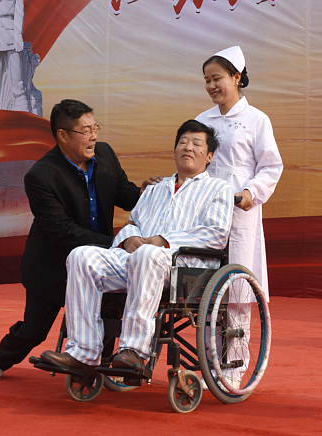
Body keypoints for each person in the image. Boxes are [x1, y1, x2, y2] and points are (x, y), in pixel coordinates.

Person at [0, 99, 159, 381]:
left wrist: (146, 194)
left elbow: (124, 194)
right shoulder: (40, 176)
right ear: (62, 135)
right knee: (35, 330)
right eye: (85, 131)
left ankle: (97, 369)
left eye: (95, 128)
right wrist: (117, 243)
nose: (93, 136)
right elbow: (63, 231)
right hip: (52, 266)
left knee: (105, 318)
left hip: (98, 264)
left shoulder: (104, 154)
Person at [40, 119, 233, 374]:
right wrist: (128, 239)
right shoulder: (155, 188)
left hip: (184, 267)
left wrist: (164, 241)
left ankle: (133, 350)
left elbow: (216, 234)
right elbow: (133, 222)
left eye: (196, 144)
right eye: (183, 142)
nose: (188, 147)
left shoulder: (218, 188)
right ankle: (82, 352)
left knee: (147, 254)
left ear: (209, 156)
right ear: (174, 150)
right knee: (81, 256)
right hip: (139, 259)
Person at [195, 46, 283, 386]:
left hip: (240, 212)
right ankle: (208, 362)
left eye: (217, 78)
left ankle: (233, 367)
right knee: (204, 289)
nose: (211, 86)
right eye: (207, 80)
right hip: (206, 214)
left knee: (236, 291)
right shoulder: (203, 121)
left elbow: (271, 166)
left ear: (236, 77)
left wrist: (251, 192)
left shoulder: (257, 120)